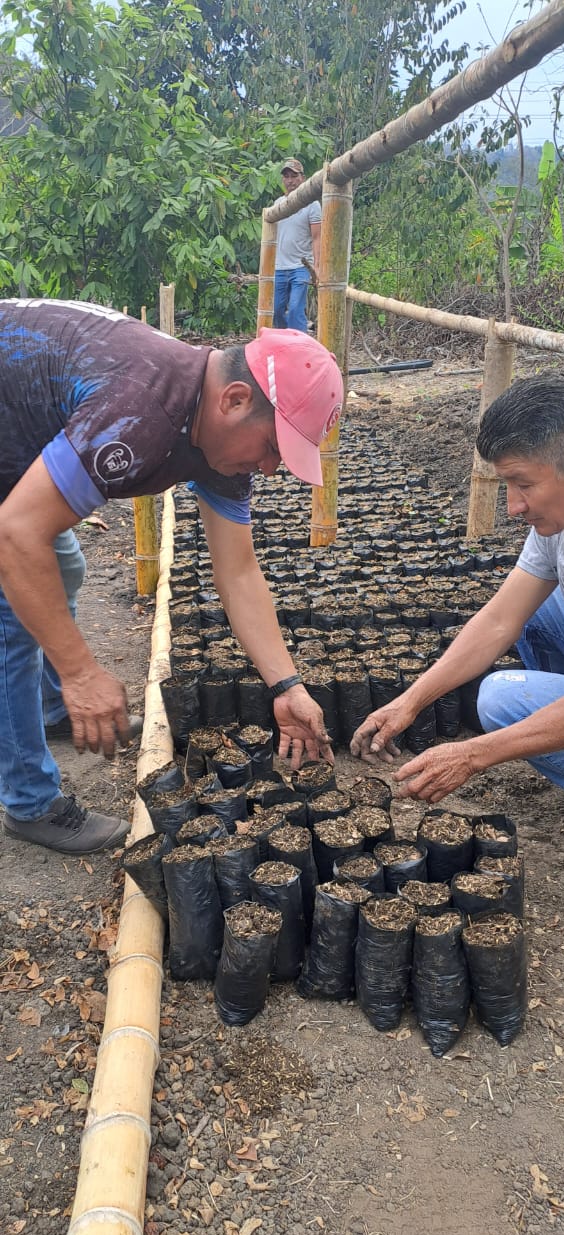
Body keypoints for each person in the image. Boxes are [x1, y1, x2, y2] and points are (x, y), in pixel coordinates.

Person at [0, 299, 343, 856]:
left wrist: (287, 687)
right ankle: (30, 802)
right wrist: (82, 672)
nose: (269, 468)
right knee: (11, 618)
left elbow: (238, 571)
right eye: (272, 447)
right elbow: (15, 533)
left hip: (18, 433)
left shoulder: (219, 439)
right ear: (235, 400)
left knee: (63, 565)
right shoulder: (142, 412)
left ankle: (49, 707)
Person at [351, 373, 564, 804]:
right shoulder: (557, 526)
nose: (513, 507)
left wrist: (474, 754)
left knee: (499, 699)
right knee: (537, 610)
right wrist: (410, 701)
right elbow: (499, 621)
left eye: (524, 484)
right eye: (506, 485)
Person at [272, 157, 322, 333]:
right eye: (286, 176)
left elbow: (317, 237)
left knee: (295, 308)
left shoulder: (312, 205)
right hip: (280, 266)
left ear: (302, 178)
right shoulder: (278, 204)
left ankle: (300, 342)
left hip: (301, 267)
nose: (290, 180)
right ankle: (286, 341)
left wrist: (316, 266)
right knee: (276, 311)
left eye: (294, 176)